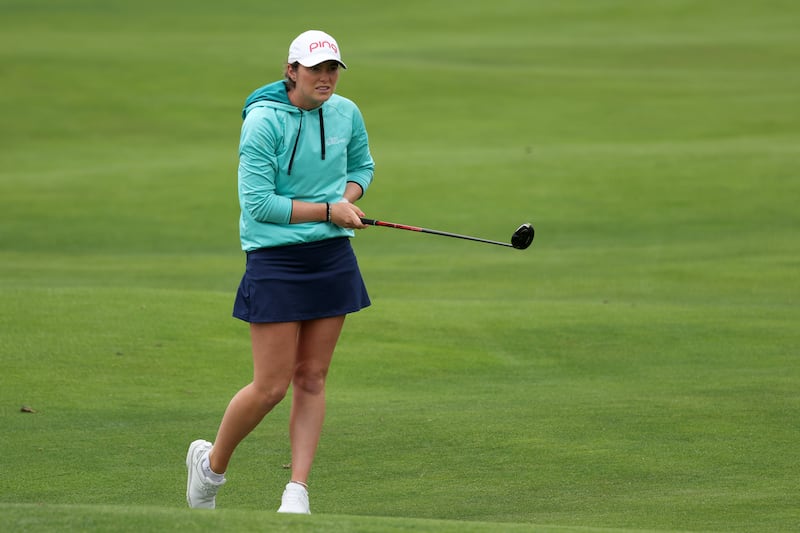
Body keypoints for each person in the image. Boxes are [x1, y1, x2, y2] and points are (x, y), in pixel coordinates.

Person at [185, 29, 375, 514]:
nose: (326, 78)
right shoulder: (264, 122)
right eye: (315, 69)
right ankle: (210, 467)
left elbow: (362, 168)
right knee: (270, 385)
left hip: (331, 257)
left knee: (312, 378)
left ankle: (297, 490)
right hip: (276, 260)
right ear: (291, 71)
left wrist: (346, 201)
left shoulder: (346, 113)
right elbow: (259, 205)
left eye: (332, 68)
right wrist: (329, 210)